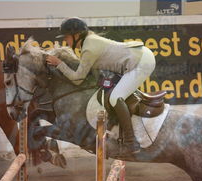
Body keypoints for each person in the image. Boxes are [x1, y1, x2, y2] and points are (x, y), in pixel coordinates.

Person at [46, 17, 156, 154]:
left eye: (67, 37)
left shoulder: (89, 48)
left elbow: (78, 79)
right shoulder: (89, 42)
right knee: (114, 93)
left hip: (140, 62)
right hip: (138, 59)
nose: (65, 41)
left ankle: (130, 142)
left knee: (115, 98)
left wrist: (59, 64)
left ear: (77, 35)